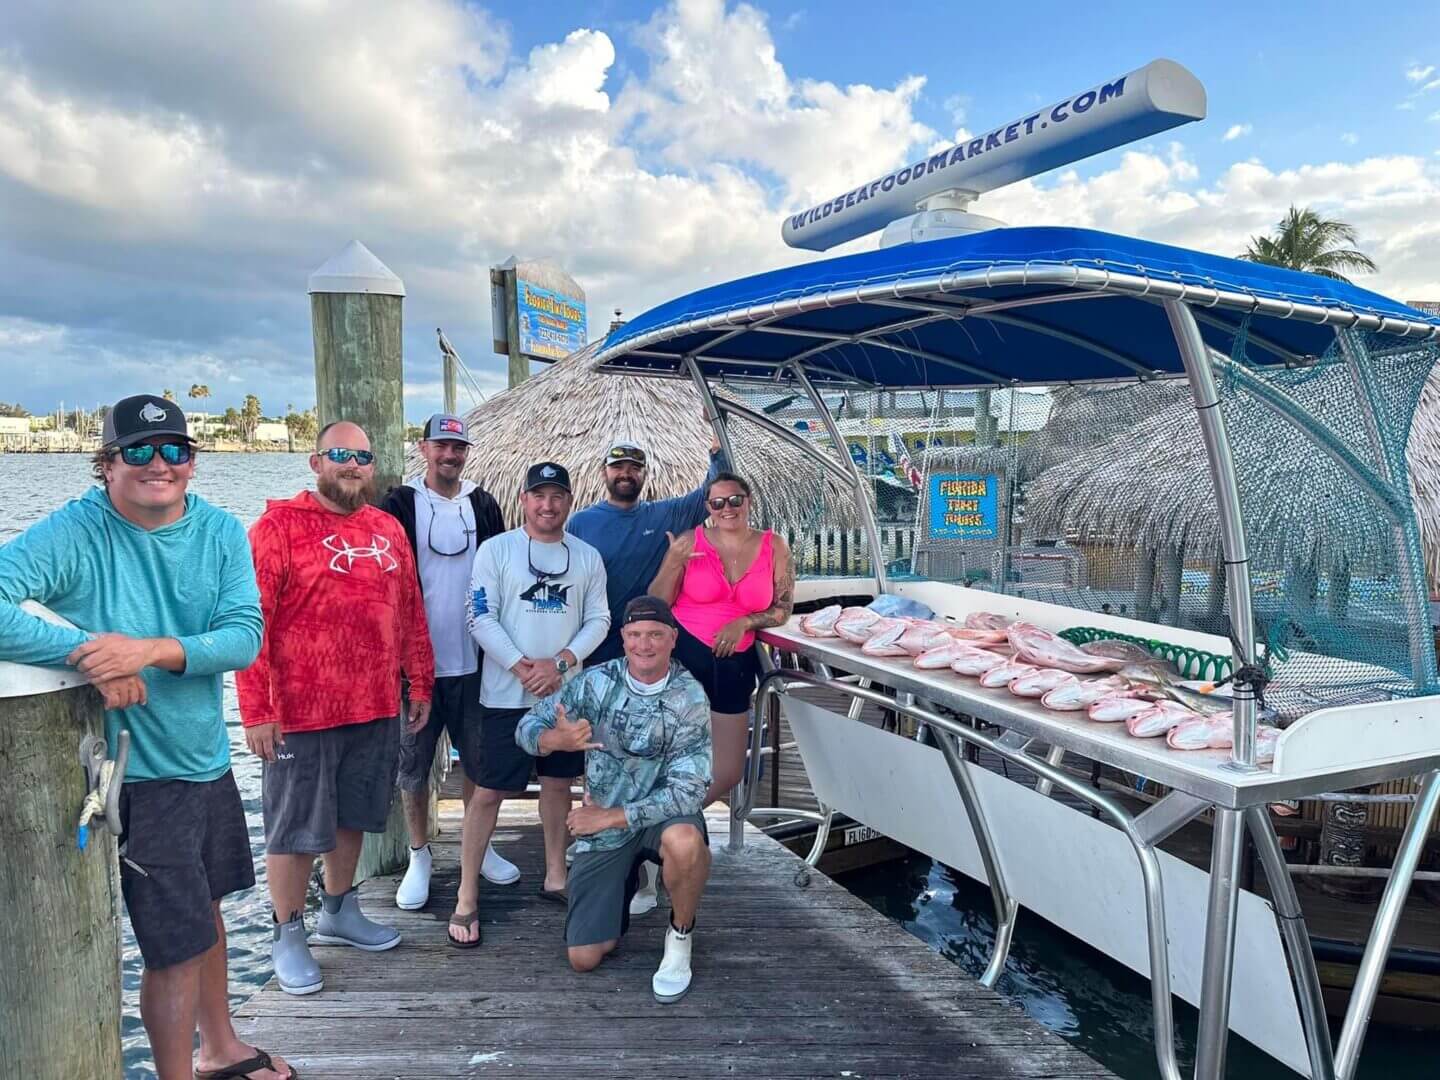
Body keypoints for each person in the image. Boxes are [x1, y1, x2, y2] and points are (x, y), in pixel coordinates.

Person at [0, 395, 294, 1080]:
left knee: (209, 909)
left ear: (192, 463)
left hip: (207, 759)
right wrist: (88, 654)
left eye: (174, 450)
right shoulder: (77, 531)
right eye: (138, 451)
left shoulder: (221, 533)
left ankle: (220, 1045)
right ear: (105, 465)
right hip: (140, 775)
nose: (158, 464)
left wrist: (148, 652)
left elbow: (244, 636)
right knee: (171, 947)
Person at [237, 421, 435, 997]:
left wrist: (418, 681)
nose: (353, 465)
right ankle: (287, 930)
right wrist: (255, 711)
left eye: (364, 457)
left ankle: (339, 910)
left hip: (374, 705)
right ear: (315, 461)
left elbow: (409, 613)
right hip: (300, 712)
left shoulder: (387, 529)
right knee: (294, 828)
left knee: (355, 815)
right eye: (341, 455)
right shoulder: (277, 528)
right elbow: (251, 623)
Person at [516, 595, 711, 1002]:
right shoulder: (596, 682)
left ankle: (680, 936)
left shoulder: (690, 696)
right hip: (605, 825)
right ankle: (624, 887)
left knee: (686, 843)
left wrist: (608, 818)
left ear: (673, 639)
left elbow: (690, 791)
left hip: (654, 818)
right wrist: (556, 740)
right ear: (622, 638)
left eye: (656, 634)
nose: (645, 644)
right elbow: (527, 725)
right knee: (583, 957)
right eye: (636, 634)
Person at [451, 461, 609, 947]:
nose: (548, 505)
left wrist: (559, 664)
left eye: (557, 496)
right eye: (538, 495)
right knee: (489, 792)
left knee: (559, 783)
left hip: (564, 695)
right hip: (504, 696)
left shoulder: (586, 557)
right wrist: (523, 666)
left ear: (569, 501)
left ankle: (556, 875)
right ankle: (466, 893)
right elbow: (479, 616)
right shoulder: (495, 551)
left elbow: (599, 619)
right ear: (524, 500)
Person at [379, 413, 519, 909]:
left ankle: (475, 851)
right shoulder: (398, 503)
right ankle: (419, 854)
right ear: (423, 448)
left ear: (467, 453)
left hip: (478, 662)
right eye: (441, 446)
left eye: (458, 448)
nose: (449, 455)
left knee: (481, 761)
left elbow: (507, 575)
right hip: (415, 666)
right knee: (412, 766)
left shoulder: (484, 503)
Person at [649, 471, 794, 807]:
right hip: (685, 656)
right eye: (717, 502)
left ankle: (663, 820)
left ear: (749, 501)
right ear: (708, 507)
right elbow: (656, 602)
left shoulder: (774, 546)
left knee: (728, 768)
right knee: (675, 756)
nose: (726, 508)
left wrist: (744, 622)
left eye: (734, 500)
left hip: (735, 662)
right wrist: (673, 563)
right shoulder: (689, 540)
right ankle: (663, 833)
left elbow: (783, 608)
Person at [566, 427, 726, 667]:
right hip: (597, 648)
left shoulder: (666, 515)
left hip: (652, 647)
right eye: (618, 467)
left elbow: (714, 492)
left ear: (644, 474)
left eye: (634, 468)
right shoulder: (580, 523)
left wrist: (717, 442)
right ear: (604, 472)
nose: (626, 474)